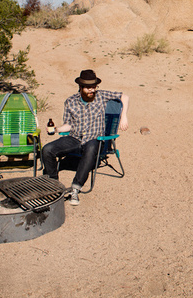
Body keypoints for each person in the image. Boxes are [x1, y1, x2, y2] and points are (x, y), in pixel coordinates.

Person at [42, 69, 129, 206]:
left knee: (91, 147)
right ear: (80, 87)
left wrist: (123, 116)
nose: (92, 90)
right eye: (88, 88)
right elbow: (68, 125)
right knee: (47, 149)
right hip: (74, 138)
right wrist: (57, 129)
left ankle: (76, 188)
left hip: (95, 139)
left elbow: (124, 97)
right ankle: (53, 184)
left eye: (94, 87)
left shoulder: (101, 96)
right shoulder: (70, 102)